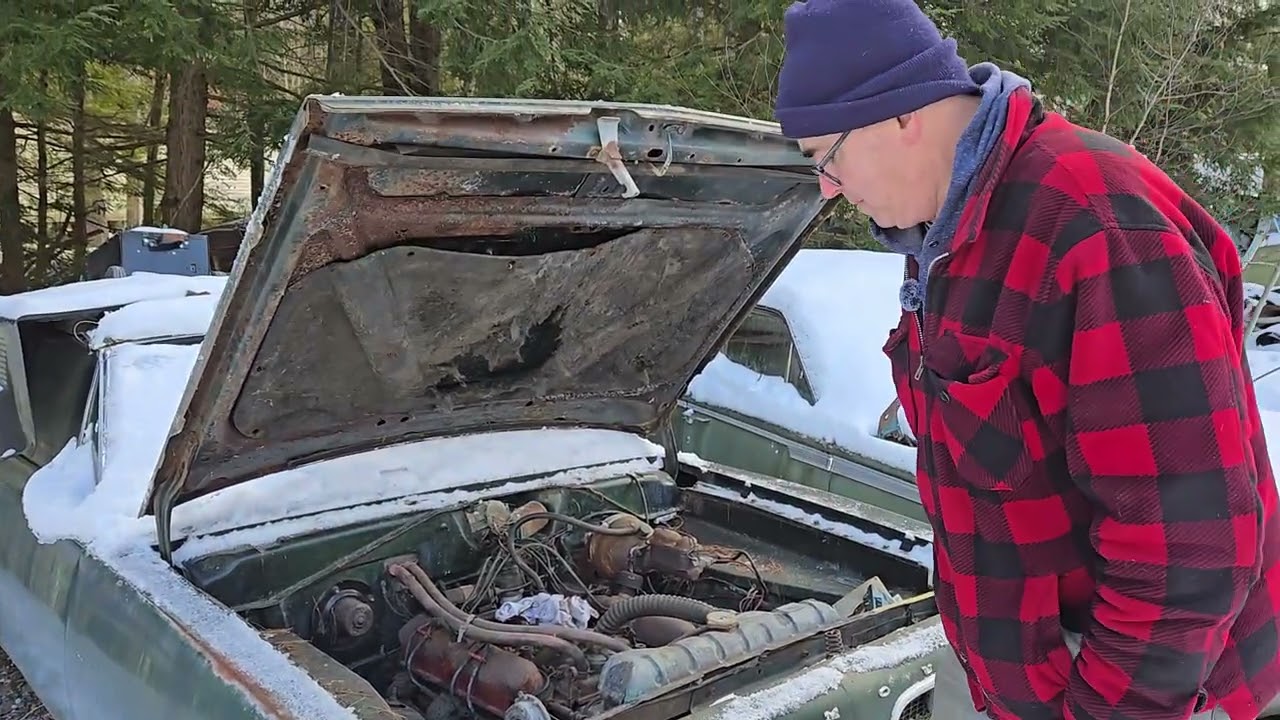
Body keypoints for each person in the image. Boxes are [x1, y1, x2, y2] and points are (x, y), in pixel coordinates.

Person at [771, 1, 1280, 718]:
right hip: (1016, 673)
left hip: (1141, 690)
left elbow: (1189, 554)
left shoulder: (1095, 226)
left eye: (825, 158)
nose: (827, 188)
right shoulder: (950, 229)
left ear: (898, 116)